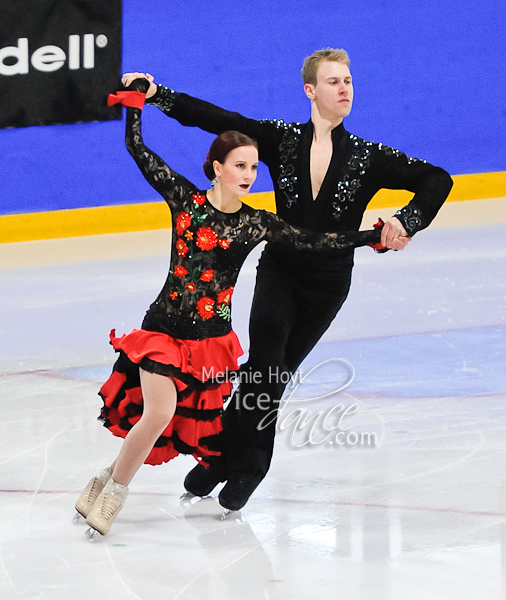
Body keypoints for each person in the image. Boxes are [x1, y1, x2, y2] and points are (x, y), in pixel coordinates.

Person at [123, 48, 453, 514]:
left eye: (348, 81)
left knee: (273, 376)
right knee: (265, 362)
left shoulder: (367, 156)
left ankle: (221, 457)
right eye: (334, 81)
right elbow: (219, 119)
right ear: (310, 90)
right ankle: (249, 466)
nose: (344, 89)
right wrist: (158, 94)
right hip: (280, 270)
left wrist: (407, 220)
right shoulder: (281, 139)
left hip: (327, 284)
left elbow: (437, 179)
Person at [75, 77, 388, 537]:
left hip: (209, 343)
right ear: (217, 167)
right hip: (162, 331)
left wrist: (371, 237)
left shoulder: (256, 223)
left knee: (168, 423)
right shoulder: (186, 203)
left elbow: (316, 242)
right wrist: (137, 105)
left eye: (254, 168)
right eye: (240, 165)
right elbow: (138, 150)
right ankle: (114, 496)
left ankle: (102, 480)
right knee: (158, 414)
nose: (248, 175)